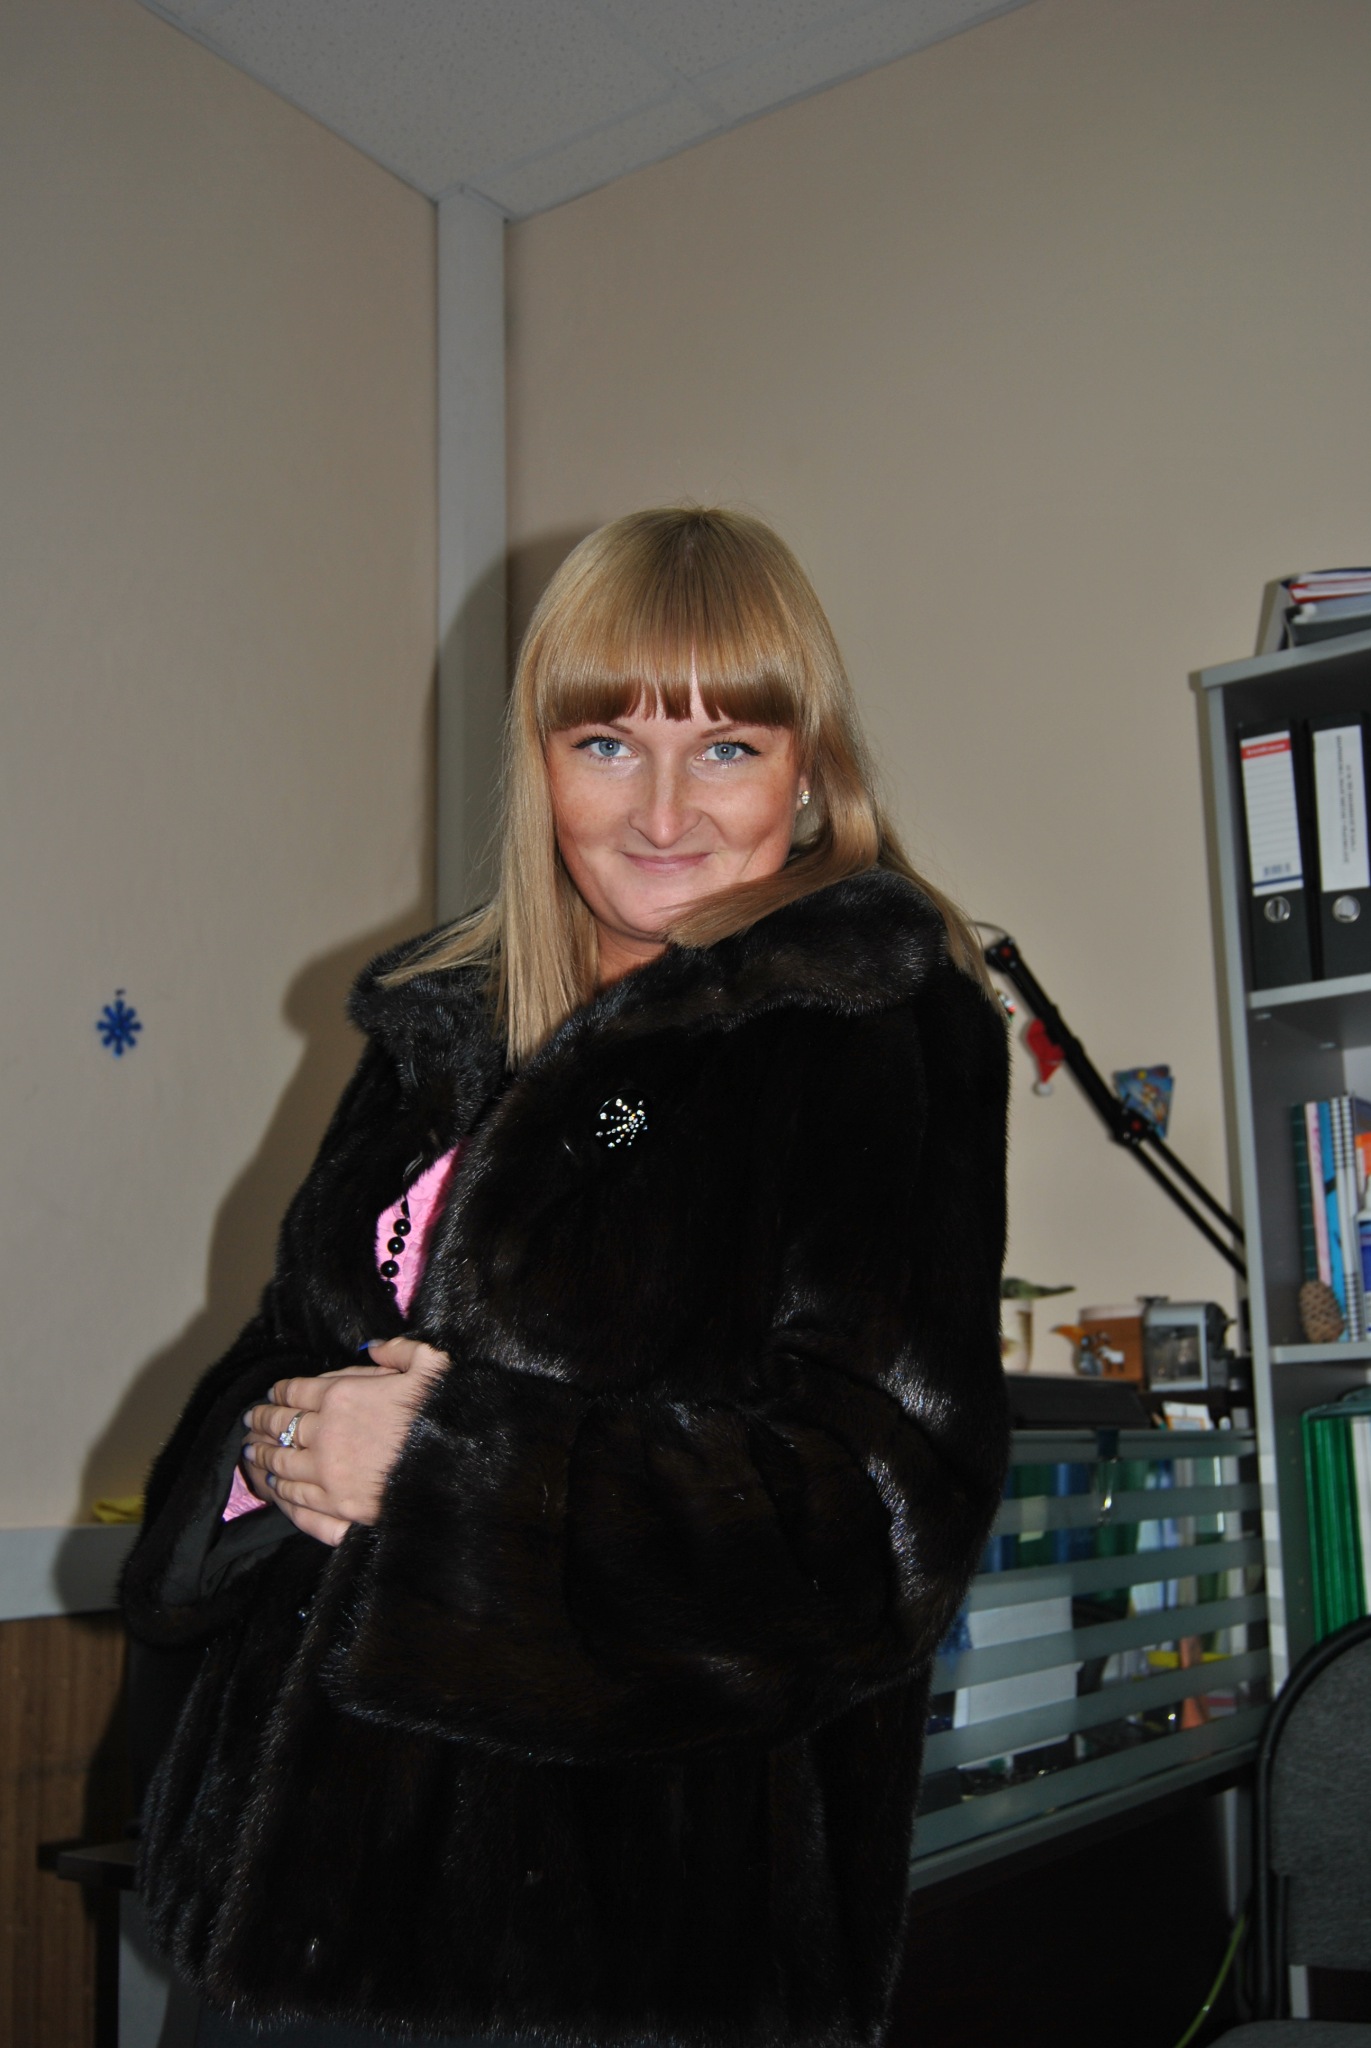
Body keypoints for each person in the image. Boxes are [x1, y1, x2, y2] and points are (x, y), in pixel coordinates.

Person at [122, 507, 1010, 2048]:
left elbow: (878, 1524)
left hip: (614, 1950)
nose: (662, 808)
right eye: (607, 743)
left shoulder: (864, 1025)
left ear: (810, 771)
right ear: (540, 762)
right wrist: (273, 1453)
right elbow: (288, 1348)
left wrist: (443, 1476)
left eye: (726, 747)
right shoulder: (451, 1032)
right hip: (295, 1913)